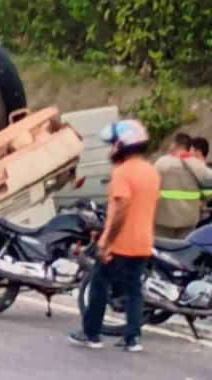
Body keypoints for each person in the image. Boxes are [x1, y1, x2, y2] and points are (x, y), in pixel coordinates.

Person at [69, 119, 160, 352]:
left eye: (112, 144)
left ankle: (91, 334)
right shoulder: (151, 173)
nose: (111, 149)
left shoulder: (122, 173)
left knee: (99, 285)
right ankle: (132, 338)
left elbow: (121, 211)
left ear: (122, 145)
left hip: (119, 244)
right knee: (133, 290)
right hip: (143, 243)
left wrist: (106, 243)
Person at [154, 132, 212, 239]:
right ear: (189, 147)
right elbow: (209, 192)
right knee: (184, 249)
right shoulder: (200, 167)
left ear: (174, 145)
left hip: (164, 219)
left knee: (163, 249)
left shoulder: (161, 163)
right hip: (189, 220)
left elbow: (150, 189)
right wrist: (202, 201)